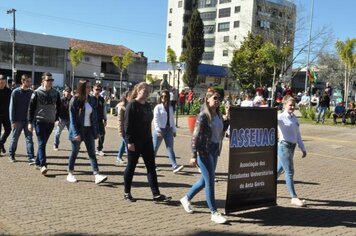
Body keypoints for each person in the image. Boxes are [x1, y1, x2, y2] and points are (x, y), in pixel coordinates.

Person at [180, 88, 227, 224]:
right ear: (207, 99)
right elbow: (195, 136)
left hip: (214, 150)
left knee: (204, 180)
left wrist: (228, 118)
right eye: (215, 98)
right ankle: (214, 212)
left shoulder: (217, 114)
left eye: (219, 99)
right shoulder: (203, 116)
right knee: (210, 181)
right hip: (204, 151)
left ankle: (186, 198)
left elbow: (221, 131)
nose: (217, 101)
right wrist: (193, 155)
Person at [123, 82, 171, 202]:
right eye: (144, 90)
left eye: (148, 91)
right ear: (138, 90)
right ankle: (127, 192)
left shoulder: (147, 105)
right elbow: (127, 125)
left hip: (147, 140)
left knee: (151, 167)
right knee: (131, 167)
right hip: (134, 141)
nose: (146, 92)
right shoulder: (132, 105)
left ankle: (156, 194)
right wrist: (129, 141)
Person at [66, 79, 107, 184]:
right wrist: (76, 133)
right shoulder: (75, 100)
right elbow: (72, 119)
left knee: (92, 153)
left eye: (90, 86)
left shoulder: (92, 99)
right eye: (88, 87)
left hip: (89, 130)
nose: (90, 89)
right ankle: (70, 173)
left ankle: (97, 175)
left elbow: (94, 117)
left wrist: (96, 131)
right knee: (75, 152)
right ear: (82, 88)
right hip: (78, 130)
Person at [28, 72, 61, 175]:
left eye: (52, 80)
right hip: (39, 121)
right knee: (41, 143)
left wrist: (56, 119)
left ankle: (37, 162)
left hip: (50, 122)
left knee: (43, 144)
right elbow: (31, 108)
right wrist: (30, 122)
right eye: (48, 80)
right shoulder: (36, 93)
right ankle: (43, 165)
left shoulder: (56, 93)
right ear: (43, 81)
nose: (50, 82)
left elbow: (59, 107)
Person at [277, 96, 307, 207]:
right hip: (284, 146)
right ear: (284, 105)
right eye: (290, 105)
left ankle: (264, 187)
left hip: (292, 147)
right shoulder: (280, 117)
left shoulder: (294, 118)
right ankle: (294, 197)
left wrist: (302, 148)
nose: (292, 107)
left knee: (279, 170)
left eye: (294, 105)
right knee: (289, 172)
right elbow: (267, 121)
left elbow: (298, 135)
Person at [153, 90, 184, 173]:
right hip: (160, 129)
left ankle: (174, 166)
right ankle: (151, 164)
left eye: (165, 96)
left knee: (170, 148)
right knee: (155, 148)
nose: (163, 98)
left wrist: (174, 130)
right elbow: (155, 120)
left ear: (168, 97)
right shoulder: (158, 107)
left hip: (168, 129)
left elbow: (172, 120)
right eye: (162, 96)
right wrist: (158, 130)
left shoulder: (170, 108)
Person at [8, 74, 35, 164]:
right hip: (18, 120)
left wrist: (32, 121)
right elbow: (12, 107)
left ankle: (31, 157)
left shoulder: (32, 93)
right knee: (14, 138)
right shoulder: (15, 92)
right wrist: (12, 120)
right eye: (28, 81)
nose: (30, 83)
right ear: (23, 81)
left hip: (28, 121)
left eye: (30, 81)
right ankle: (11, 155)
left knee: (29, 139)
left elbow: (34, 107)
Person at [53, 86, 72, 151]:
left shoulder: (73, 100)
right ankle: (56, 145)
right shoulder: (61, 100)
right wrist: (56, 119)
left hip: (70, 119)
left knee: (72, 133)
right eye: (67, 91)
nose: (68, 93)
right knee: (57, 133)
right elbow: (56, 110)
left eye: (69, 92)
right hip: (62, 119)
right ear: (64, 92)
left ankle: (74, 146)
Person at [92, 84, 107, 156]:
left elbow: (104, 109)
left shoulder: (102, 99)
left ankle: (99, 149)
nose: (97, 91)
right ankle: (91, 148)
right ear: (93, 89)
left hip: (100, 120)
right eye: (96, 89)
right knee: (90, 135)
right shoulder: (90, 98)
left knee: (102, 134)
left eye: (99, 90)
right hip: (91, 120)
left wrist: (105, 119)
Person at [116, 91, 131, 164]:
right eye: (130, 95)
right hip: (123, 128)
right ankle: (130, 160)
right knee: (127, 144)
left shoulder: (130, 105)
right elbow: (120, 120)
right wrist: (120, 131)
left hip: (129, 128)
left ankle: (119, 157)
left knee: (123, 143)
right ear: (126, 97)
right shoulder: (121, 106)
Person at [0, 74, 12, 155]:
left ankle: (1, 143)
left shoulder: (9, 91)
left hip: (6, 115)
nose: (2, 84)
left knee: (8, 130)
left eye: (4, 83)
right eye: (1, 83)